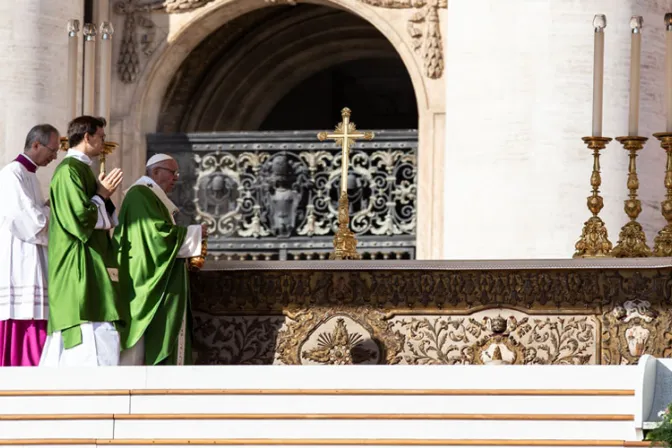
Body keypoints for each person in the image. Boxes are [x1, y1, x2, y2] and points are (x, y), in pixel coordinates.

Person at [39, 116, 126, 367]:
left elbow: (101, 216)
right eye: (101, 137)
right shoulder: (68, 171)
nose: (103, 142)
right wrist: (101, 194)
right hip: (78, 264)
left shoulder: (83, 170)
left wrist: (103, 197)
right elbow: (78, 219)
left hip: (91, 259)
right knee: (89, 334)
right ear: (87, 137)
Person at [115, 154, 205, 365]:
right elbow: (157, 237)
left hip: (159, 274)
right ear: (155, 172)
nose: (176, 178)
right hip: (146, 277)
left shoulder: (150, 196)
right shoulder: (140, 194)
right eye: (172, 172)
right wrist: (194, 233)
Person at [0, 124, 60, 366]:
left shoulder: (31, 176)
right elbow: (32, 223)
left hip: (33, 259)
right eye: (52, 150)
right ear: (36, 144)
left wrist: (47, 209)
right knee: (24, 320)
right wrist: (54, 210)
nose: (54, 156)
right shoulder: (11, 174)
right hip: (19, 263)